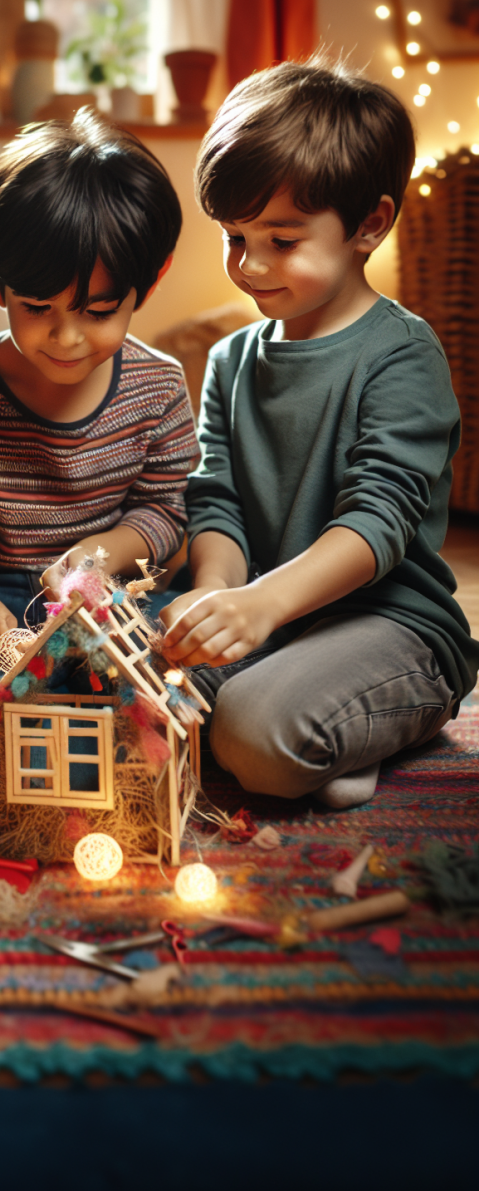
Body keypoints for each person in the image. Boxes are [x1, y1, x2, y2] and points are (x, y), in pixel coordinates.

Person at [160, 56, 479, 809]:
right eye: (234, 238)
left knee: (248, 734)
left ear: (370, 225)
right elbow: (216, 501)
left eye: (282, 239)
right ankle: (321, 729)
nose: (250, 265)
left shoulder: (402, 353)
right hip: (272, 617)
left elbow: (380, 519)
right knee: (132, 688)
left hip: (392, 626)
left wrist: (264, 606)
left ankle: (393, 720)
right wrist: (215, 596)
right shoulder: (232, 358)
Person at [0, 109, 198, 720]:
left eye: (97, 312)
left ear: (149, 283)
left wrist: (102, 555)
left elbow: (166, 512)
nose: (66, 338)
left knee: (166, 704)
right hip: (2, 604)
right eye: (38, 307)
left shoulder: (159, 386)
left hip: (117, 595)